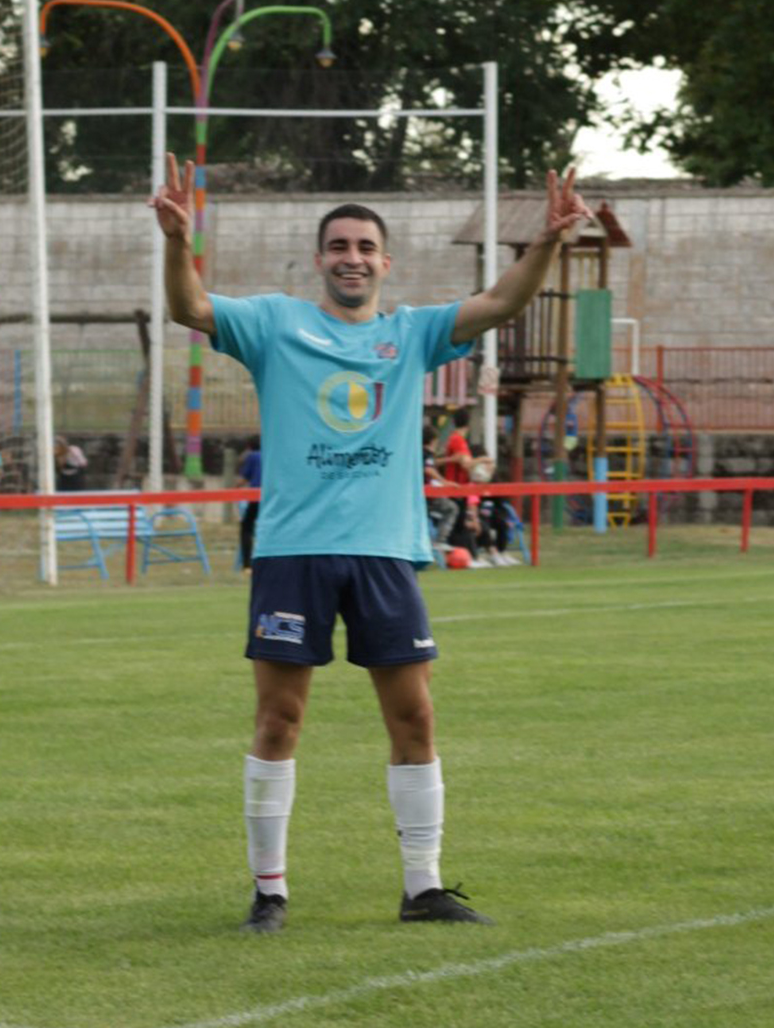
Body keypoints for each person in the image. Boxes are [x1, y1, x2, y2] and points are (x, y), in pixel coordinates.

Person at [151, 152, 592, 932]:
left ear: (386, 262)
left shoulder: (413, 333)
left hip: (386, 551)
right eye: (338, 247)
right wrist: (177, 238)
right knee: (279, 720)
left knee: (414, 718)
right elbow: (189, 306)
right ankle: (270, 893)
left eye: (364, 248)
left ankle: (423, 887)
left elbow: (498, 303)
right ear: (319, 260)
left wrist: (548, 242)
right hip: (293, 550)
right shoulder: (274, 323)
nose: (351, 258)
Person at [235, 435, 262, 572]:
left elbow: (244, 479)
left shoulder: (252, 456)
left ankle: (247, 565)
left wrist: (235, 488)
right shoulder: (269, 455)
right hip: (272, 497)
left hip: (256, 497)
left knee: (246, 528)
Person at [438, 408, 475, 486]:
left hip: (459, 487)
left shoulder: (456, 438)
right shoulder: (457, 439)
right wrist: (484, 459)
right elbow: (466, 464)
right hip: (456, 488)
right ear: (468, 423)